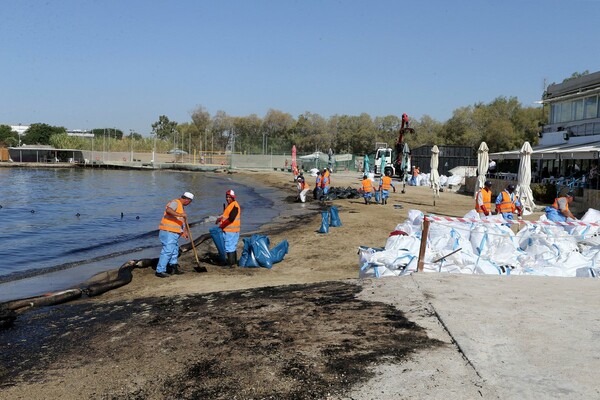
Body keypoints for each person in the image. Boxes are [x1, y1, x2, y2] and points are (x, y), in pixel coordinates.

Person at [156, 192, 194, 278]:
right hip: (168, 231)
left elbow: (181, 220)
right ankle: (160, 270)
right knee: (168, 250)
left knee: (174, 250)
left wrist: (184, 231)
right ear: (187, 200)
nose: (189, 204)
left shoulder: (181, 206)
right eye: (190, 202)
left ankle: (173, 267)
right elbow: (168, 210)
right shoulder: (175, 202)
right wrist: (180, 214)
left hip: (174, 232)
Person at [216, 189, 241, 268]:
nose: (227, 199)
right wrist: (220, 219)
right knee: (232, 246)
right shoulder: (232, 205)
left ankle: (230, 264)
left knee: (229, 247)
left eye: (229, 197)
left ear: (233, 197)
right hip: (234, 230)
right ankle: (234, 263)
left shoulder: (234, 205)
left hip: (230, 230)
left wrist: (222, 225)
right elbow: (227, 216)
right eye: (227, 197)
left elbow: (231, 219)